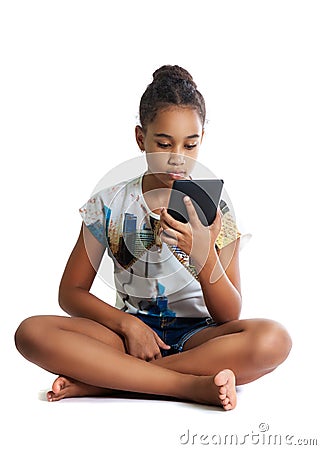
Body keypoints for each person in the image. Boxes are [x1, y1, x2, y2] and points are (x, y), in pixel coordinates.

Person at [14, 65, 292, 411]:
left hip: (200, 338)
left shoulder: (215, 207)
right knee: (31, 333)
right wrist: (128, 325)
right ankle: (187, 386)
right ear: (141, 138)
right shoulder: (109, 203)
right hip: (127, 337)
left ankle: (107, 383)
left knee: (273, 340)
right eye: (164, 143)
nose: (178, 157)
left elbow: (230, 316)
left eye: (191, 145)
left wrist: (203, 257)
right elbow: (70, 293)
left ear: (201, 140)